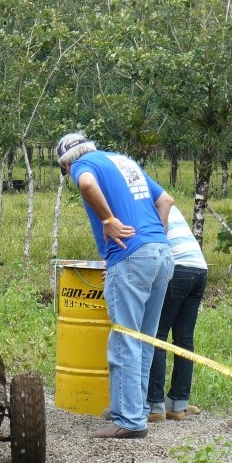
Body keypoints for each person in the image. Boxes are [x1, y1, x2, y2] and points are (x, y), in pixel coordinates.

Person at [56, 132, 175, 439]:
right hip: (162, 254)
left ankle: (128, 419)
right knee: (145, 339)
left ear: (66, 163)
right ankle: (138, 408)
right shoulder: (123, 161)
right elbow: (165, 200)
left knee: (125, 338)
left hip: (130, 255)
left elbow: (85, 185)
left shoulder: (83, 166)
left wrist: (108, 219)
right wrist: (152, 240)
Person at [146, 205, 207, 421]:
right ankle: (178, 405)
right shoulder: (163, 201)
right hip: (199, 268)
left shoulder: (144, 204)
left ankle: (154, 405)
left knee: (157, 337)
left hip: (178, 268)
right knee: (184, 341)